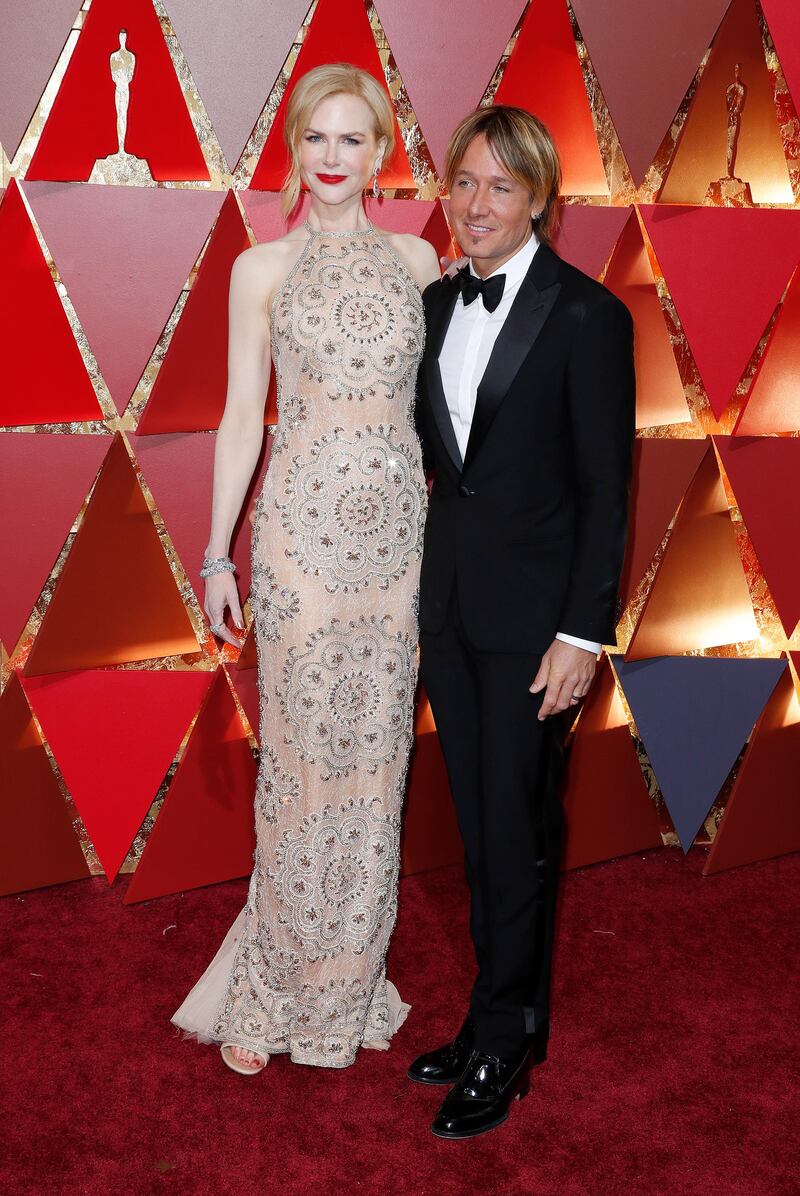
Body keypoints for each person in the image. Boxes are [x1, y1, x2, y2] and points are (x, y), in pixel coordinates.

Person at [170, 62, 440, 1074]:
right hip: (298, 543)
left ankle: (345, 983)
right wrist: (214, 553)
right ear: (296, 148)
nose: (333, 158)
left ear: (380, 153)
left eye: (352, 139)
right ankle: (272, 985)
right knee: (296, 767)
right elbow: (245, 416)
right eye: (315, 139)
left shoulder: (420, 263)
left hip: (394, 547)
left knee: (372, 768)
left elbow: (446, 421)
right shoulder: (260, 268)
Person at [408, 105, 635, 1138]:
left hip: (537, 630)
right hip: (449, 617)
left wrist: (581, 637)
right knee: (478, 830)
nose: (474, 205)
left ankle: (505, 1040)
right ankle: (495, 1011)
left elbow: (604, 489)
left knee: (518, 836)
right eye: (462, 182)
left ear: (539, 197)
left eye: (499, 186)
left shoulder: (588, 316)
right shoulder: (432, 303)